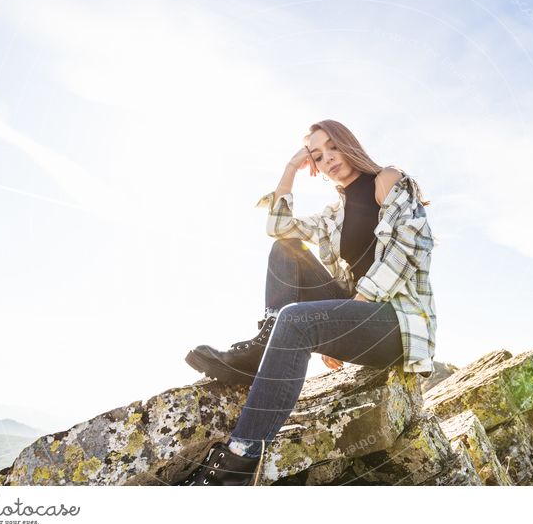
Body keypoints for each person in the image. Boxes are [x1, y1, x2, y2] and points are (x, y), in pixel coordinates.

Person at [184, 119, 437, 486]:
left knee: (298, 321)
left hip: (398, 324)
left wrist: (344, 316)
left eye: (332, 147)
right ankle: (263, 349)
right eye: (318, 155)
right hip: (359, 314)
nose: (328, 159)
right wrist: (290, 169)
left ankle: (236, 464)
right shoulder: (336, 213)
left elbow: (407, 250)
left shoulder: (388, 179)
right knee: (285, 249)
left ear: (348, 143)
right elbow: (279, 228)